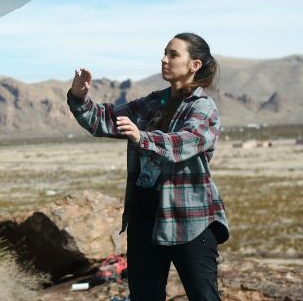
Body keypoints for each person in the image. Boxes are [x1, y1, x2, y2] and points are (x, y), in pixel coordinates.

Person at [67, 33, 229, 300]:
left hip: (190, 219)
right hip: (145, 218)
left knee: (203, 296)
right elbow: (104, 121)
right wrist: (79, 96)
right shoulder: (154, 102)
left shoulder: (203, 108)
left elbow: (184, 143)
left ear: (194, 65)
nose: (164, 59)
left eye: (173, 54)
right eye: (164, 52)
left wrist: (142, 137)